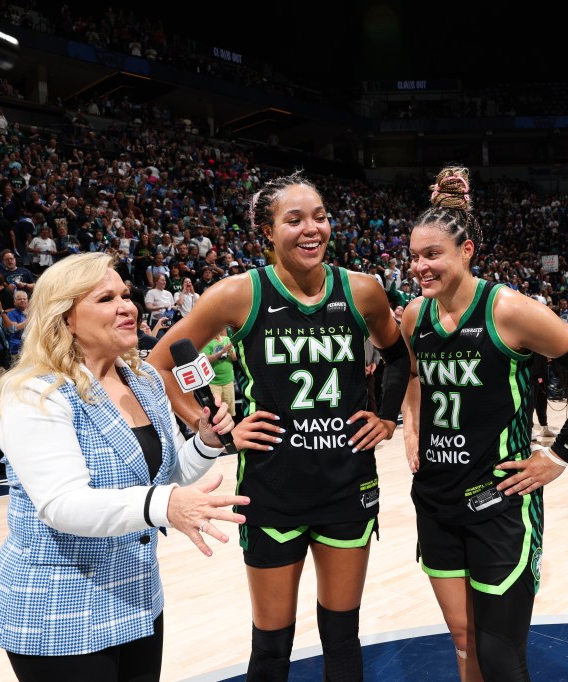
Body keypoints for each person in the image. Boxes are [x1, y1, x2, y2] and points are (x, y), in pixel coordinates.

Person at [147, 171, 411, 681]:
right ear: (267, 231)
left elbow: (398, 357)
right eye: (293, 220)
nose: (311, 229)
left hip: (346, 482)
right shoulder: (235, 295)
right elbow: (158, 366)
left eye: (319, 217)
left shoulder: (362, 290)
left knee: (341, 638)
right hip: (272, 485)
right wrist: (217, 430)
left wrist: (386, 415)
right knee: (271, 647)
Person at [0, 252, 249, 681]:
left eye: (126, 294)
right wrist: (167, 504)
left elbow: (166, 478)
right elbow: (63, 505)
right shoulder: (34, 394)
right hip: (60, 610)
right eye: (106, 298)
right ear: (65, 318)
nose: (127, 306)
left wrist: (207, 444)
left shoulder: (145, 380)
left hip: (137, 597)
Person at [401, 166, 568, 681]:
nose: (420, 267)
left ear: (467, 251)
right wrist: (411, 426)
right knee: (462, 641)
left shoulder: (509, 309)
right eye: (413, 256)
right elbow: (413, 375)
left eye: (433, 255)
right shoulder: (414, 317)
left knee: (500, 656)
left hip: (500, 501)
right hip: (435, 497)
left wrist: (557, 455)